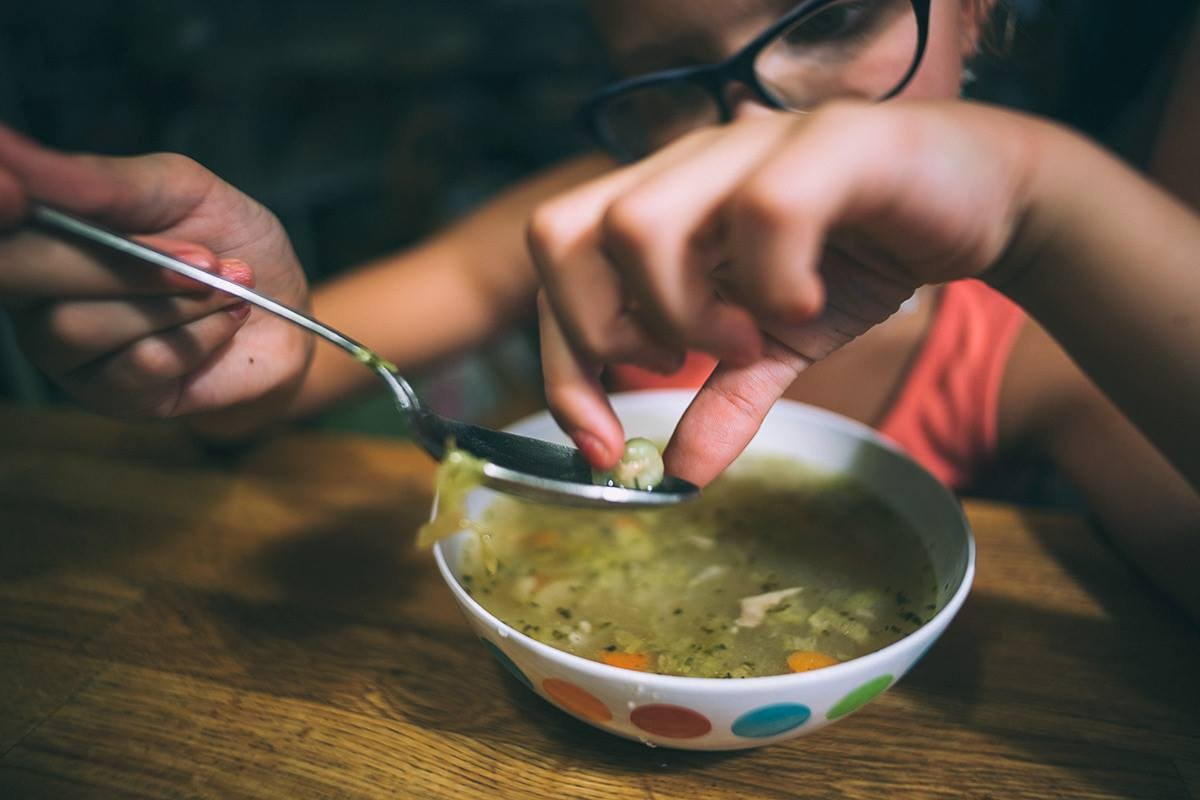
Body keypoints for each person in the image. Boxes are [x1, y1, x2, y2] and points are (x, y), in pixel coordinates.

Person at [0, 0, 1197, 614]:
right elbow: (274, 388)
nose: (758, 124)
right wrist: (238, 335)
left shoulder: (1040, 339)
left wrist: (1042, 214)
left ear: (979, 9)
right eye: (675, 80)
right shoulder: (584, 214)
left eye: (834, 20)